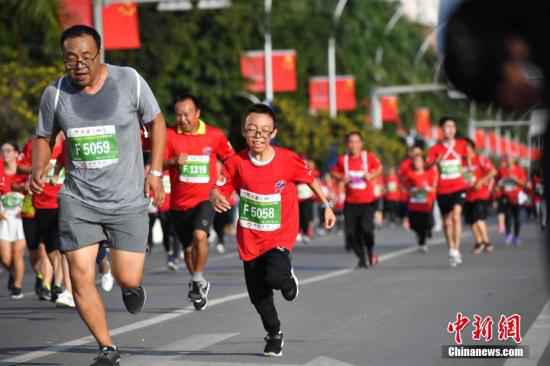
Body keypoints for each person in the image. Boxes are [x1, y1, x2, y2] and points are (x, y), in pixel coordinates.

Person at [31, 25, 166, 366]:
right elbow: (44, 136)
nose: (78, 65)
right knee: (79, 274)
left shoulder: (129, 81)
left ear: (99, 54)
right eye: (70, 59)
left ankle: (132, 286)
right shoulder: (55, 94)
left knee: (127, 277)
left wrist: (156, 172)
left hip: (127, 200)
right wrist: (38, 168)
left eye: (86, 57)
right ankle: (107, 347)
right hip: (79, 199)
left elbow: (157, 122)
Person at [210, 103, 336, 357]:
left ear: (273, 133)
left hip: (280, 235)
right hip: (249, 238)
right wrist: (214, 196)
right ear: (244, 132)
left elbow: (311, 180)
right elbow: (219, 188)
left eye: (264, 131)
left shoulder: (288, 159)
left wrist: (327, 206)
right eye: (252, 130)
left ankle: (288, 280)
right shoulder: (236, 162)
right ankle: (274, 333)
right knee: (259, 296)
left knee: (275, 278)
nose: (258, 136)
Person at [164, 94, 234, 310]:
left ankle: (197, 279)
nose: (182, 119)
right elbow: (157, 163)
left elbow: (231, 159)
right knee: (187, 250)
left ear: (197, 114)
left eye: (187, 114)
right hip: (178, 203)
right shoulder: (168, 135)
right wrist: (173, 161)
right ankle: (198, 282)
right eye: (178, 115)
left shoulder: (214, 135)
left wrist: (222, 187)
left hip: (205, 199)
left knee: (200, 235)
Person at [331, 132, 383, 268]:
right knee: (351, 234)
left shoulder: (368, 157)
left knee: (367, 230)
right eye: (351, 142)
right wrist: (341, 178)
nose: (353, 145)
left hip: (367, 202)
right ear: (347, 144)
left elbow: (379, 168)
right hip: (351, 203)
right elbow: (334, 172)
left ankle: (370, 253)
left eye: (356, 141)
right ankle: (362, 257)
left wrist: (371, 175)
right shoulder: (343, 160)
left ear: (361, 143)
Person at [427, 117, 469, 267]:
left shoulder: (463, 145)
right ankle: (451, 247)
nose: (450, 129)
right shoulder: (435, 149)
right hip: (443, 189)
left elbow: (468, 163)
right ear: (441, 130)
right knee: (446, 221)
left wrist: (469, 178)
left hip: (459, 187)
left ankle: (456, 249)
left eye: (452, 126)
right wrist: (435, 162)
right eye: (446, 127)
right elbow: (427, 165)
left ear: (455, 129)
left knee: (456, 216)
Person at [0, 142, 27, 299]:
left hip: (20, 218)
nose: (5, 154)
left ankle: (17, 286)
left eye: (9, 151)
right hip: (3, 219)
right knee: (5, 258)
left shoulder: (24, 172)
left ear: (17, 153)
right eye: (3, 151)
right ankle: (13, 273)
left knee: (17, 253)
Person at [463, 139, 496, 254]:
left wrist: (481, 181)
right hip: (468, 195)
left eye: (466, 147)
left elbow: (493, 172)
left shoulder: (480, 160)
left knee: (478, 218)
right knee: (471, 221)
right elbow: (464, 177)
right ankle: (479, 242)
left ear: (472, 149)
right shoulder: (461, 163)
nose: (464, 149)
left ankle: (487, 242)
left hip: (481, 194)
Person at [405, 154, 438, 253]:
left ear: (423, 163)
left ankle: (422, 242)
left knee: (425, 224)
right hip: (414, 203)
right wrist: (411, 190)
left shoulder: (429, 174)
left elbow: (434, 187)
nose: (417, 163)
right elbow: (406, 187)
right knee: (414, 225)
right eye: (415, 161)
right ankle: (421, 235)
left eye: (419, 161)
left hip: (426, 203)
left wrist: (427, 189)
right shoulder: (410, 174)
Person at [497, 155, 527, 246]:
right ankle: (508, 234)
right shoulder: (502, 170)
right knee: (508, 216)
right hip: (506, 196)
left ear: (514, 160)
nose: (508, 159)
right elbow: (498, 183)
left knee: (517, 218)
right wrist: (500, 184)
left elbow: (523, 183)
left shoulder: (519, 170)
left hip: (517, 197)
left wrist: (515, 179)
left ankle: (516, 237)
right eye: (507, 158)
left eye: (511, 158)